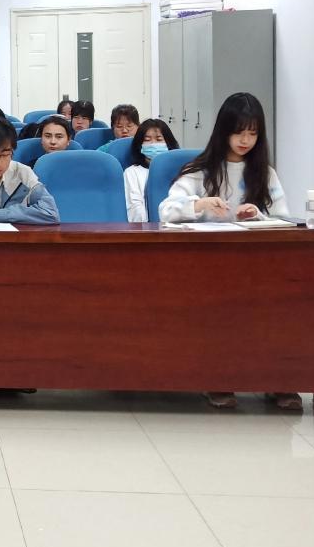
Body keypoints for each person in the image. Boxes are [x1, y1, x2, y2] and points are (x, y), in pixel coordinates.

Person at [158, 92, 293, 410]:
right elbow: (166, 211)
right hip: (207, 266)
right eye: (239, 132)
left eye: (253, 133)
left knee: (281, 307)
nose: (245, 140)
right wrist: (199, 203)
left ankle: (278, 378)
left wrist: (257, 215)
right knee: (219, 309)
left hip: (254, 266)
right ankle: (218, 376)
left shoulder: (265, 174)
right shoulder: (200, 171)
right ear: (223, 131)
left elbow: (284, 220)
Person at [123, 118, 179, 222]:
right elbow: (135, 210)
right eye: (147, 140)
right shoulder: (132, 172)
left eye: (159, 139)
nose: (153, 144)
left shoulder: (180, 171)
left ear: (168, 143)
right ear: (140, 145)